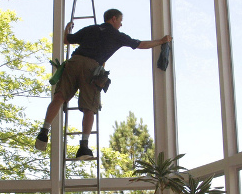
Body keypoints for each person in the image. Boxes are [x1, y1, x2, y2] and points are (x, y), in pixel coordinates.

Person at [35, 8, 172, 159]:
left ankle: (44, 132)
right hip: (91, 67)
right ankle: (84, 147)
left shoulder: (91, 29)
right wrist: (161, 41)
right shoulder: (117, 35)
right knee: (89, 108)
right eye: (120, 21)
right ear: (113, 19)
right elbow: (140, 44)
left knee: (59, 97)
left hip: (74, 62)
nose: (120, 25)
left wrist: (67, 29)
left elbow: (67, 40)